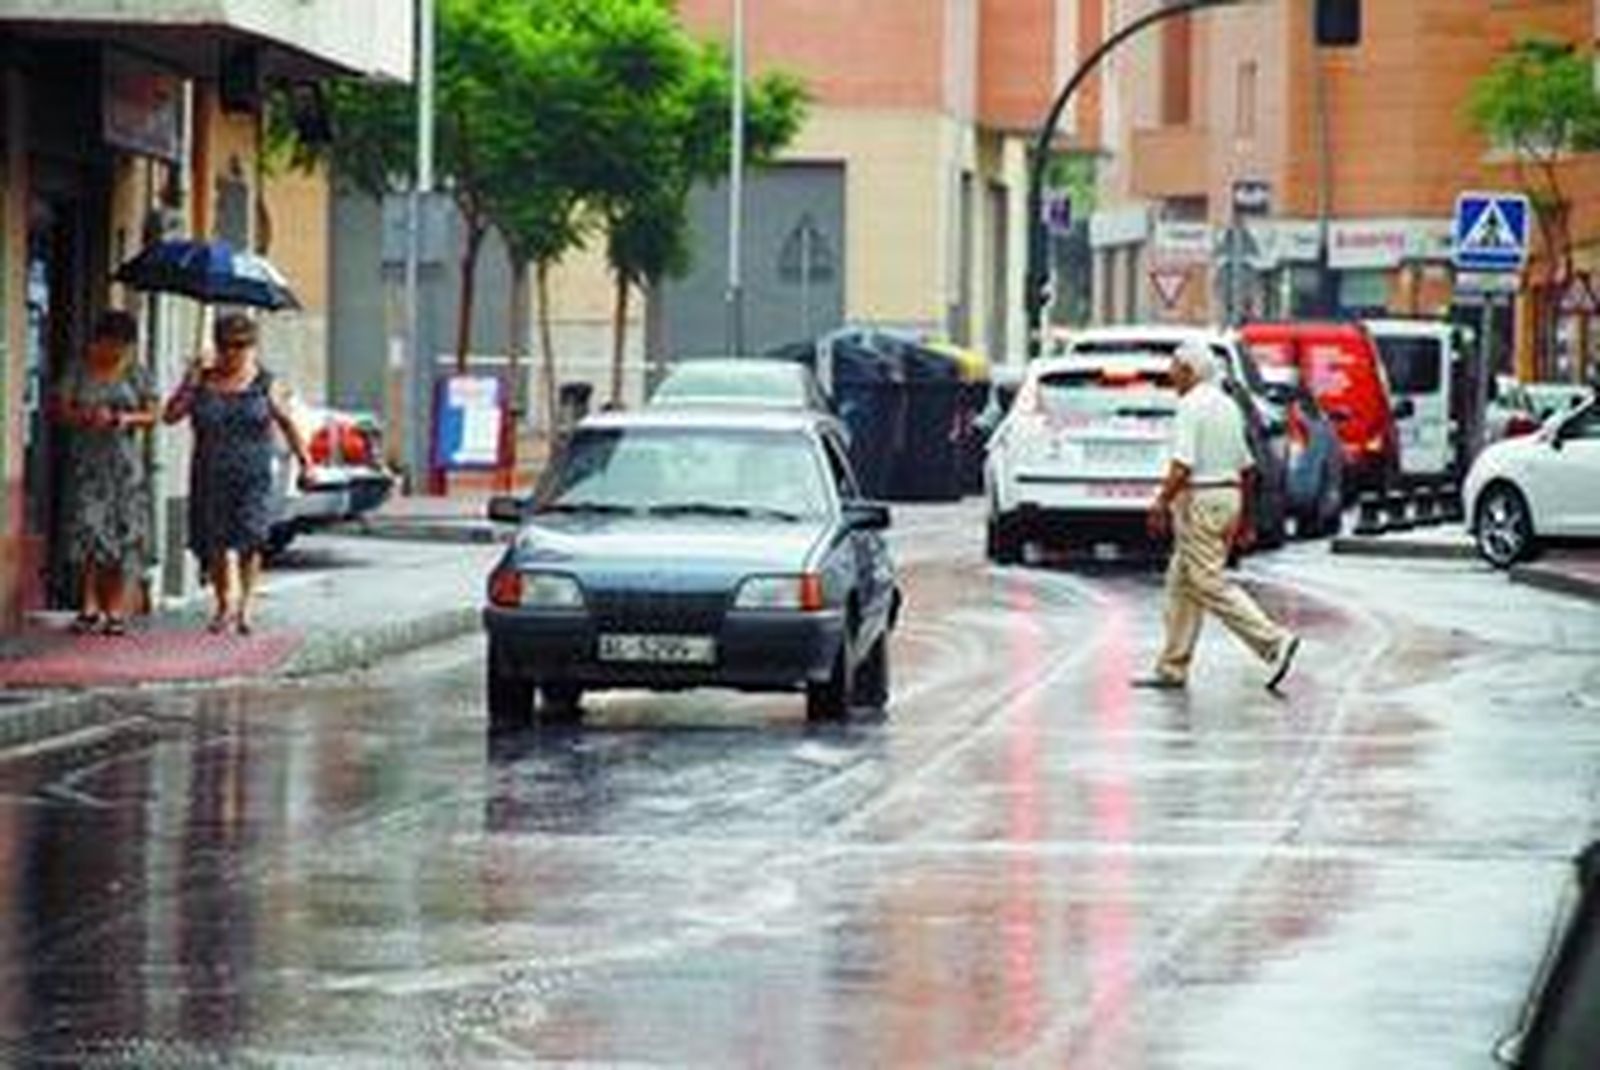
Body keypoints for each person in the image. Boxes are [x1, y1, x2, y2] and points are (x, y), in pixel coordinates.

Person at [1136, 340, 1300, 692]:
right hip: (1228, 496)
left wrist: (1161, 502)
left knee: (1208, 582)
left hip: (1200, 499)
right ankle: (1172, 667)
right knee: (1181, 582)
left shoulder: (1190, 406)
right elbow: (1247, 469)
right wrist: (1245, 519)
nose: (1170, 374)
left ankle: (1273, 642)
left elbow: (1183, 464)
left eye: (1174, 367)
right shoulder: (1227, 405)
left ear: (1189, 371)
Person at [164, 312, 316, 635]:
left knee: (251, 539)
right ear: (217, 346)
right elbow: (170, 415)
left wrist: (307, 463)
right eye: (227, 346)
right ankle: (224, 605)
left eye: (241, 346)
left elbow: (288, 424)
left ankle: (245, 607)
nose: (233, 352)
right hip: (210, 473)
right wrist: (190, 381)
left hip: (252, 474)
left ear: (252, 347)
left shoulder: (266, 383)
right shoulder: (202, 381)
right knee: (216, 542)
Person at [52, 310, 158, 636]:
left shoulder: (137, 373)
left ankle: (115, 609)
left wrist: (124, 419)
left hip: (125, 468)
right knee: (89, 531)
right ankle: (89, 604)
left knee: (123, 536)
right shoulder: (79, 371)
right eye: (109, 343)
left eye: (122, 346)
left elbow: (154, 414)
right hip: (88, 465)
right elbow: (59, 409)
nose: (114, 351)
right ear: (97, 341)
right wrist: (84, 416)